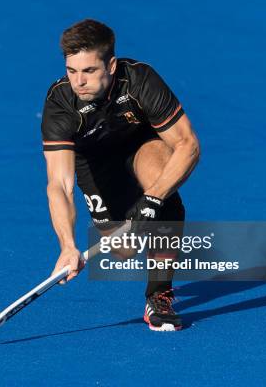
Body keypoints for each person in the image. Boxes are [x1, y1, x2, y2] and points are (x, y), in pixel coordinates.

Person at [41, 19, 200, 331]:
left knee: (165, 200)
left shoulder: (140, 81)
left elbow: (187, 145)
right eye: (72, 71)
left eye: (89, 71)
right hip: (96, 164)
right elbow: (59, 184)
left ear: (110, 65)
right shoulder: (61, 105)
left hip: (141, 147)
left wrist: (153, 198)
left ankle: (159, 296)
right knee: (123, 249)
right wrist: (67, 245)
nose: (79, 82)